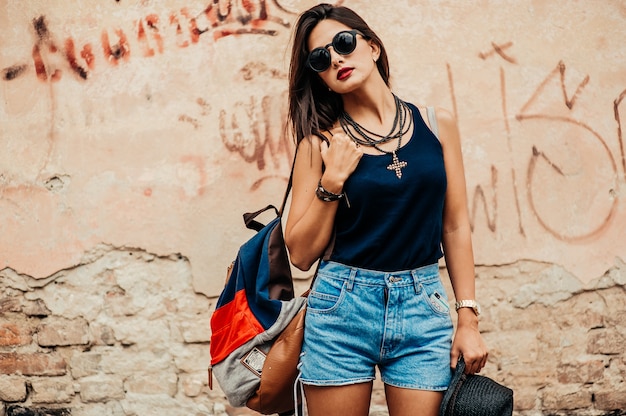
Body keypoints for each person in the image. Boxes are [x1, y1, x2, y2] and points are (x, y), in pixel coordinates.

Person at [283, 4, 488, 416]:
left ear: (372, 46)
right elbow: (300, 254)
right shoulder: (319, 146)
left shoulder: (435, 123)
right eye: (320, 58)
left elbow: (455, 226)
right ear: (319, 77)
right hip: (341, 307)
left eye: (343, 43)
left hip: (422, 308)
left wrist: (467, 319)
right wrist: (331, 183)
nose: (336, 58)